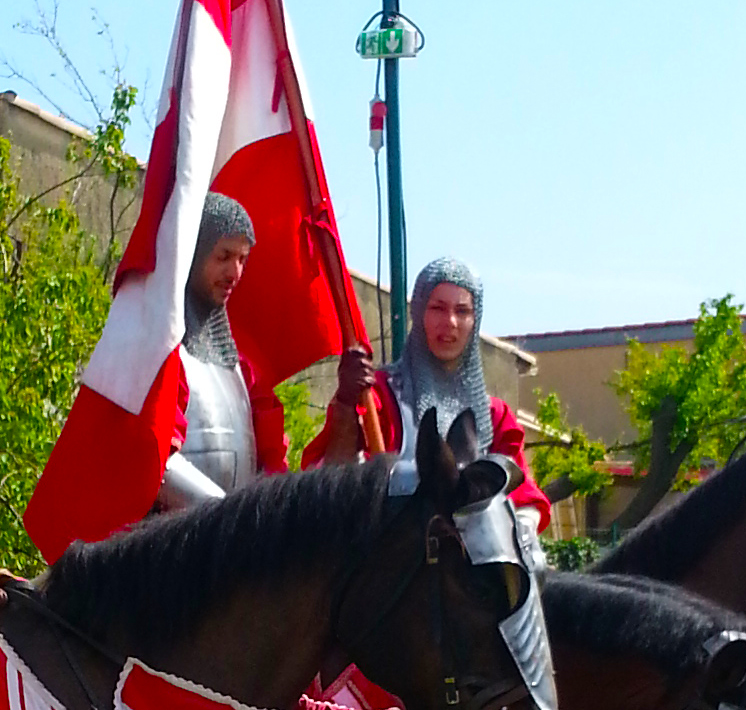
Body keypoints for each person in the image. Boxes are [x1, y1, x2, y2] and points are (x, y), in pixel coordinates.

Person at [311, 255, 552, 536]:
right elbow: (331, 481)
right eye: (438, 308)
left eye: (462, 311)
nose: (450, 321)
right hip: (389, 550)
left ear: (475, 320)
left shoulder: (494, 416)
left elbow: (524, 497)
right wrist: (346, 406)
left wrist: (522, 527)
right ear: (419, 312)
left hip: (471, 556)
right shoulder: (377, 395)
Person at [157, 192, 293, 511]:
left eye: (242, 259)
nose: (235, 273)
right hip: (170, 533)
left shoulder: (241, 370)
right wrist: (228, 518)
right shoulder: (160, 350)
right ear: (194, 253)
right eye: (224, 256)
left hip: (234, 535)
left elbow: (271, 460)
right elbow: (156, 459)